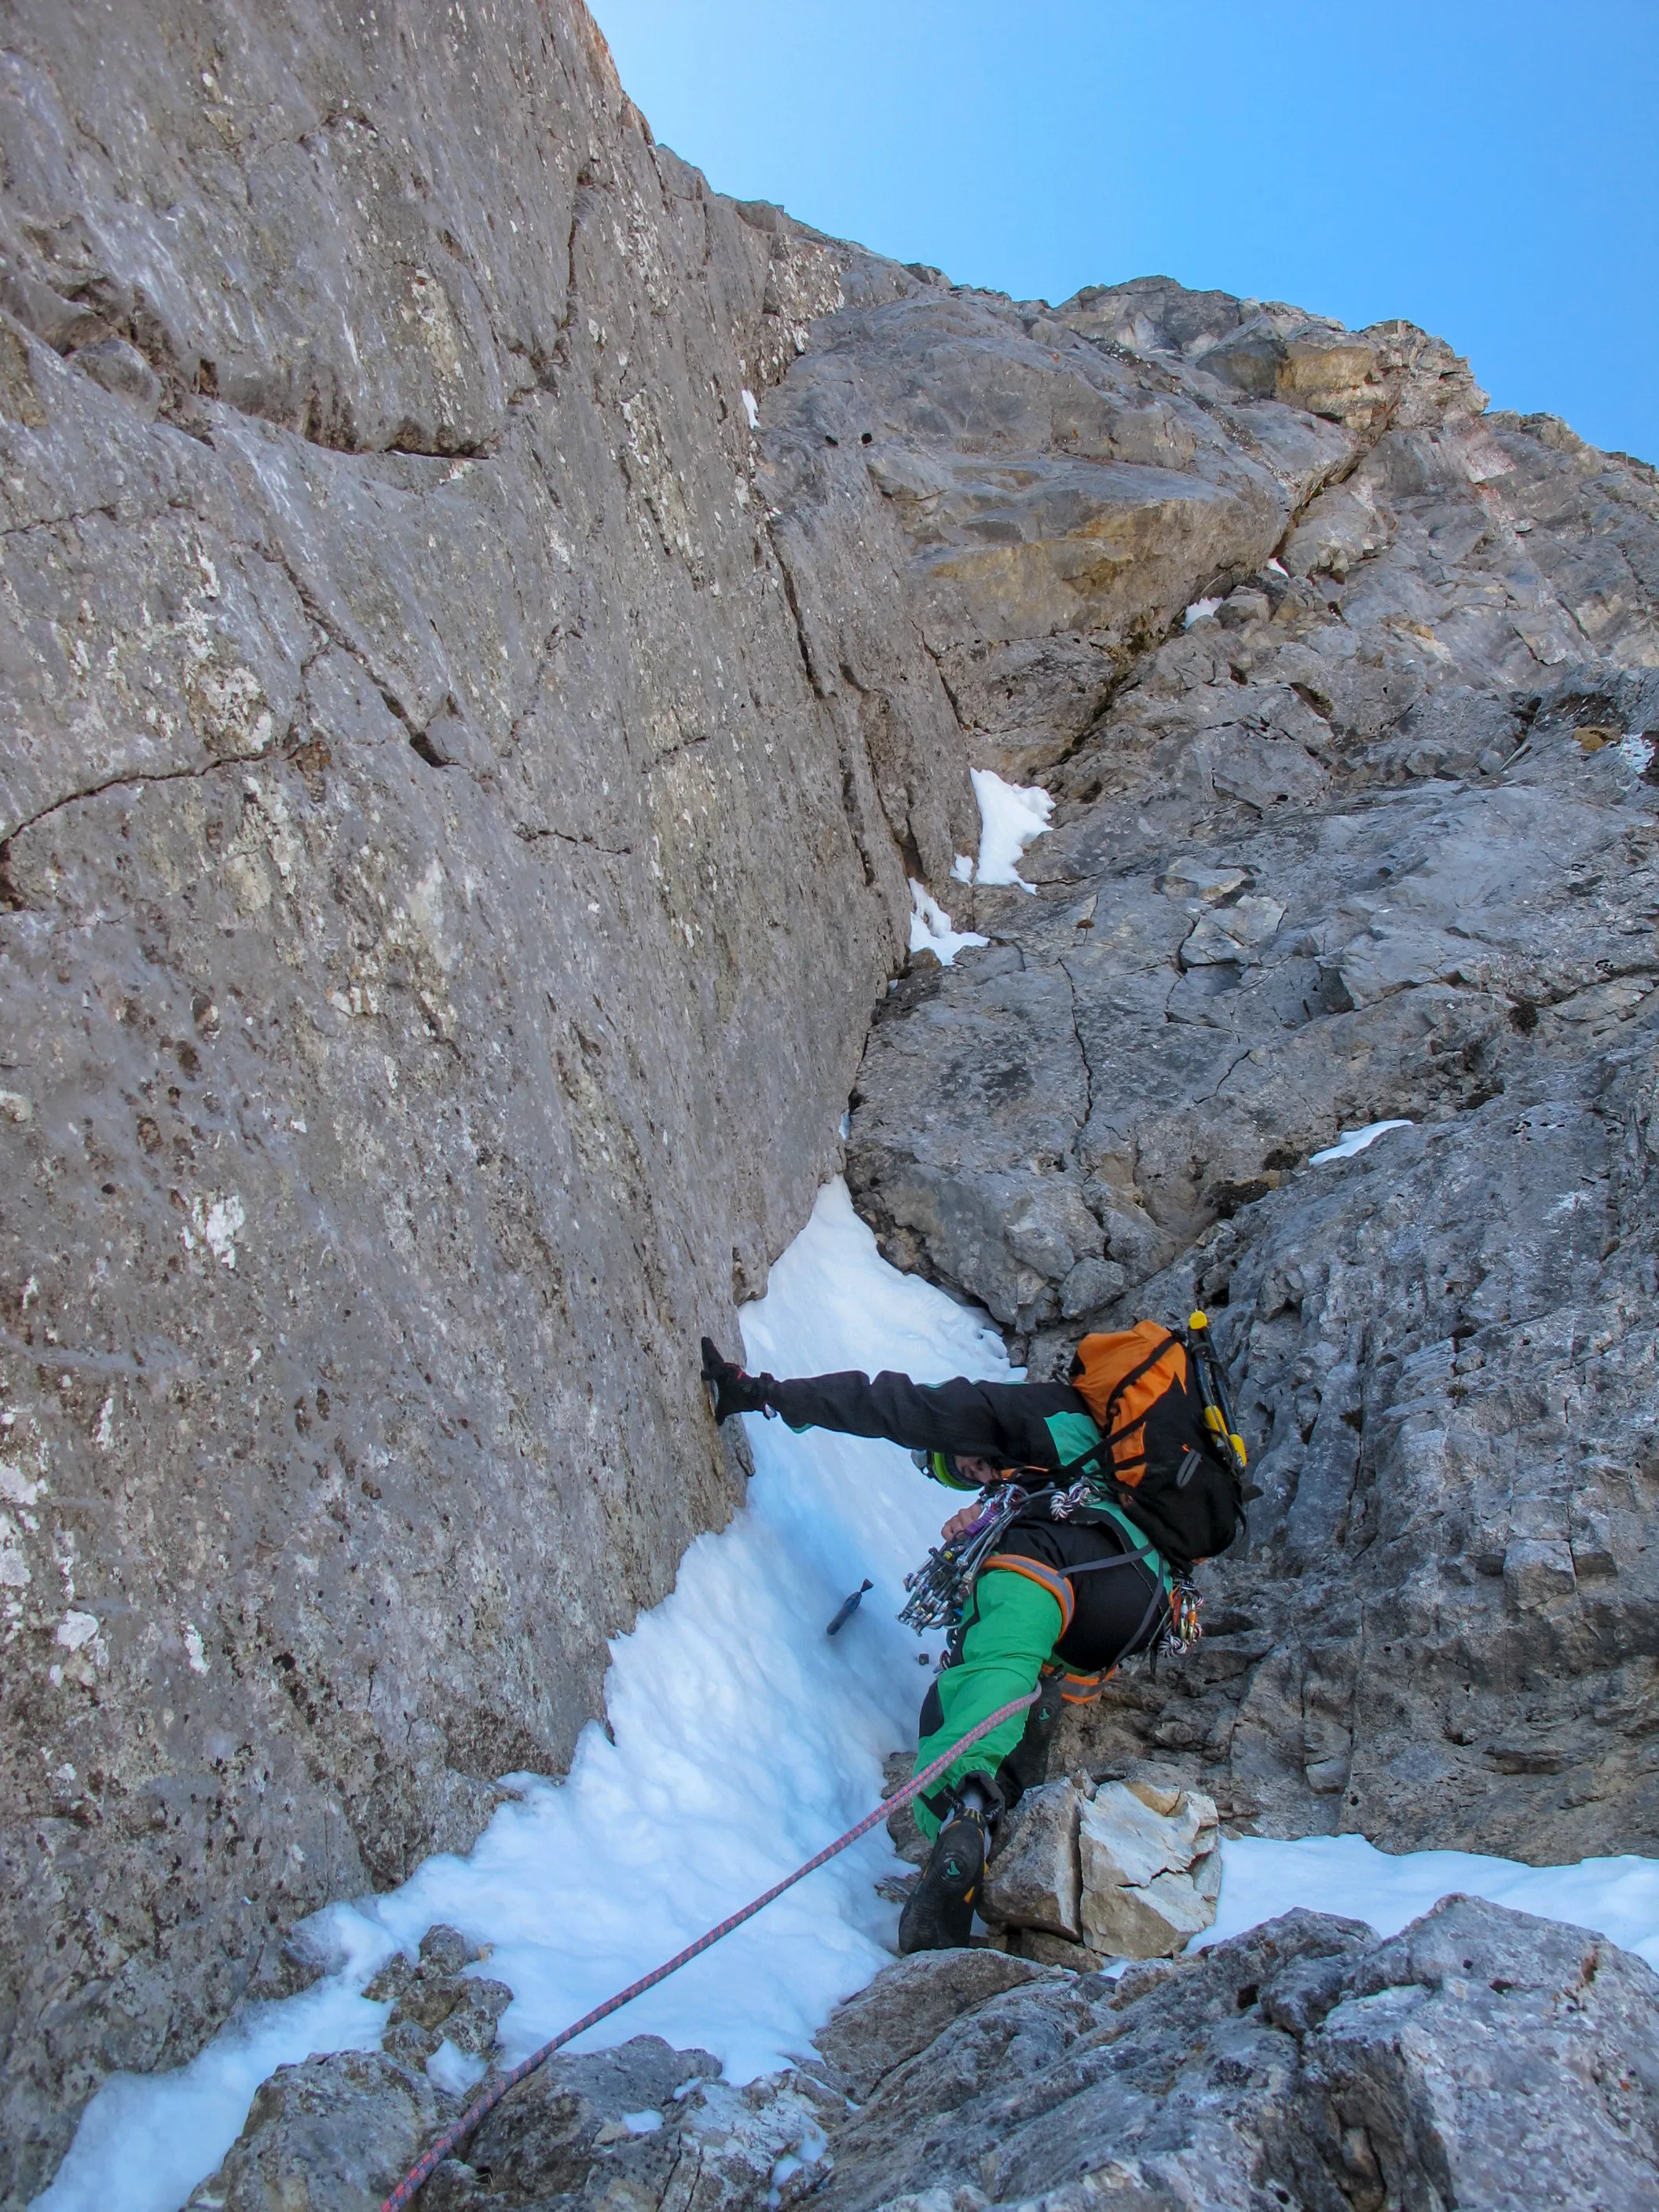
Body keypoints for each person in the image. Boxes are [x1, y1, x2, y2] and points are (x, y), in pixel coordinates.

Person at [698, 1337, 1210, 1954]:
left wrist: (768, 1394)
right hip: (1145, 1603)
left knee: (985, 1673)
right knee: (1037, 1666)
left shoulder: (1034, 1412)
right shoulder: (1120, 1462)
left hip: (1059, 1566)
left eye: (970, 1464)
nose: (976, 1474)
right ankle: (1025, 1759)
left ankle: (963, 1808)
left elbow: (894, 1404)